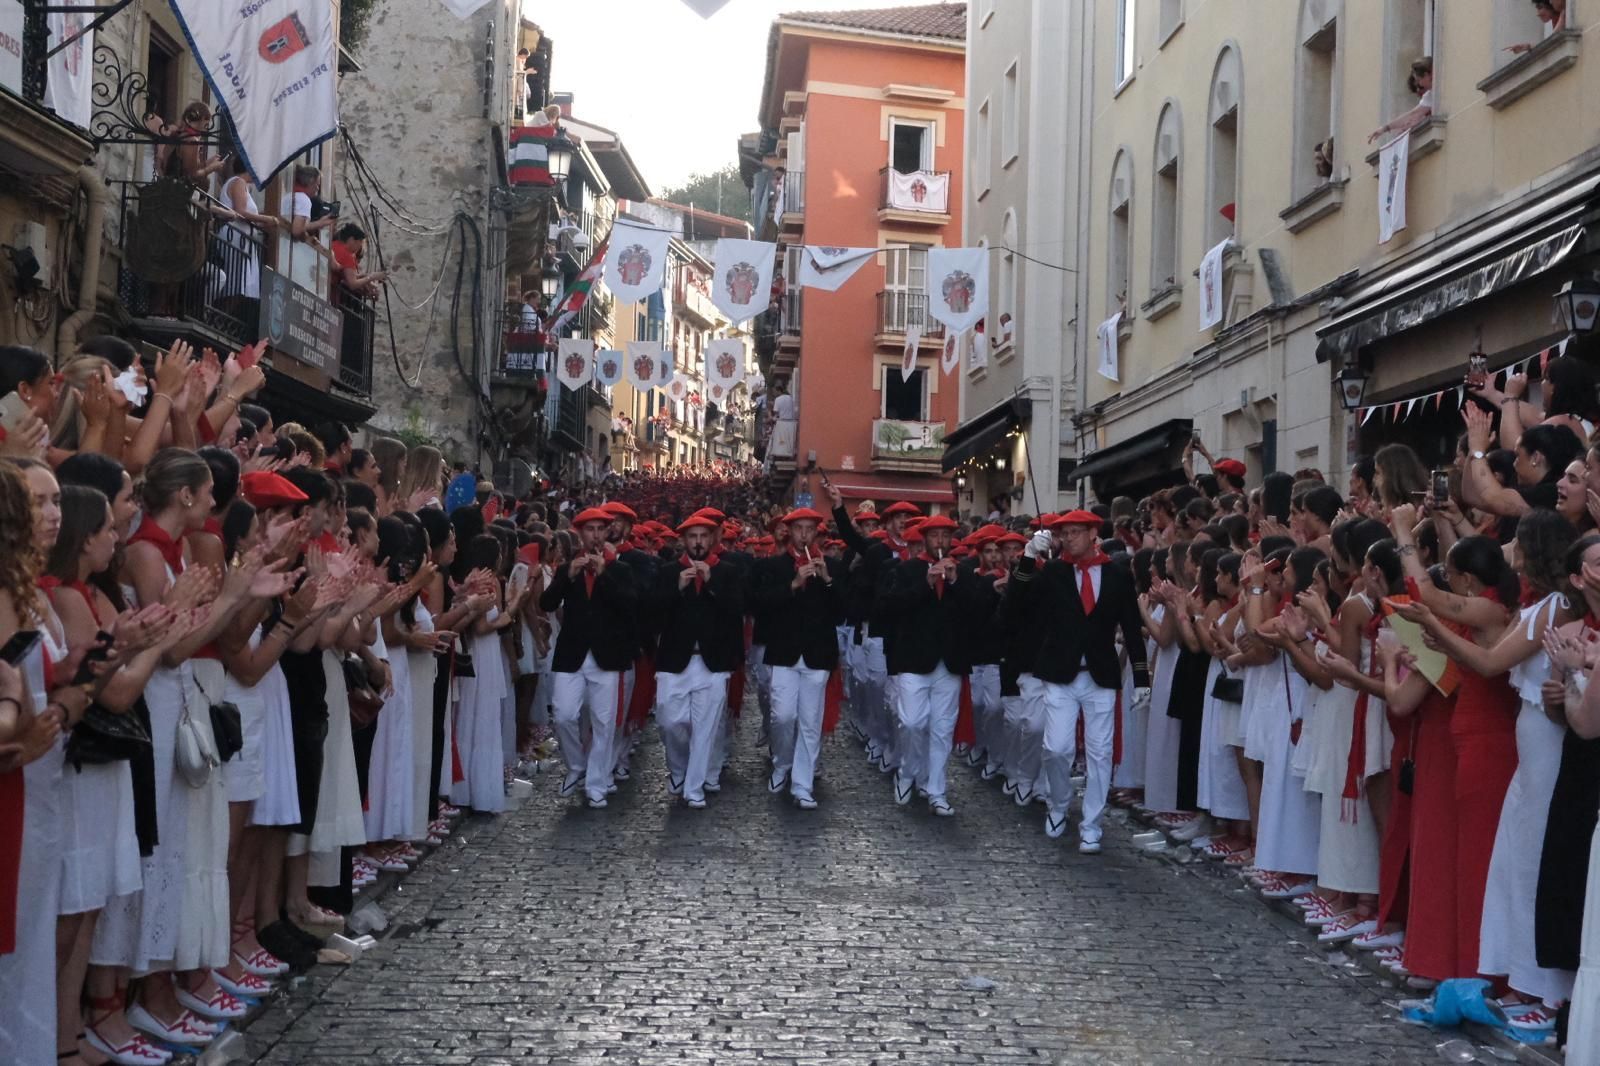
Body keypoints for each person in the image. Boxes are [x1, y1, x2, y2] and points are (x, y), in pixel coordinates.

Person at [1004, 510, 1151, 851]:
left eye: (1075, 532)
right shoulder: (1054, 571)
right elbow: (1015, 604)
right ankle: (1058, 804)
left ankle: (1092, 823)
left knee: (1100, 753)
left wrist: (1141, 676)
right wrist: (1028, 558)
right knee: (1056, 748)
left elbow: (1131, 627)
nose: (1068, 539)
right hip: (1059, 673)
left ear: (1092, 534)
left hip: (1100, 674)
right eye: (1064, 533)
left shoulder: (1116, 574)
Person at [539, 507, 639, 808]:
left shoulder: (620, 570)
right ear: (580, 534)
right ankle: (576, 766)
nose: (595, 535)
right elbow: (547, 603)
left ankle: (596, 783)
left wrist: (604, 574)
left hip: (607, 656)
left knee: (604, 723)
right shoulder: (566, 569)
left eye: (600, 529)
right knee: (564, 714)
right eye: (590, 530)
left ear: (607, 533)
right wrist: (567, 577)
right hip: (572, 654)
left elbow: (630, 607)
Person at [880, 513, 971, 817]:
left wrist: (955, 582)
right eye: (934, 536)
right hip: (913, 659)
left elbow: (977, 609)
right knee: (912, 723)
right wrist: (926, 583)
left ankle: (937, 790)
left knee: (942, 729)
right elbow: (892, 608)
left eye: (945, 536)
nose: (940, 541)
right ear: (925, 539)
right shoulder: (906, 570)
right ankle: (907, 772)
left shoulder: (961, 571)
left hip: (950, 661)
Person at [755, 507, 844, 809]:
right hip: (784, 652)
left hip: (818, 654)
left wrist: (828, 581)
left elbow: (843, 611)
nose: (804, 535)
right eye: (798, 529)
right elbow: (762, 604)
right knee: (782, 716)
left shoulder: (831, 566)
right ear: (789, 532)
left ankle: (803, 785)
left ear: (816, 533)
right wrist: (792, 585)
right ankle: (782, 763)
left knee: (810, 722)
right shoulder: (775, 566)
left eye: (809, 530)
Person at [652, 515, 743, 808]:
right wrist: (677, 587)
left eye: (704, 536)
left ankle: (694, 788)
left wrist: (712, 582)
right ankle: (679, 770)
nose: (699, 542)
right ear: (684, 540)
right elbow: (652, 614)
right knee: (669, 721)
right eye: (693, 537)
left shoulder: (727, 572)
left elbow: (737, 611)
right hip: (674, 661)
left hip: (712, 662)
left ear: (713, 539)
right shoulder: (667, 571)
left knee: (705, 729)